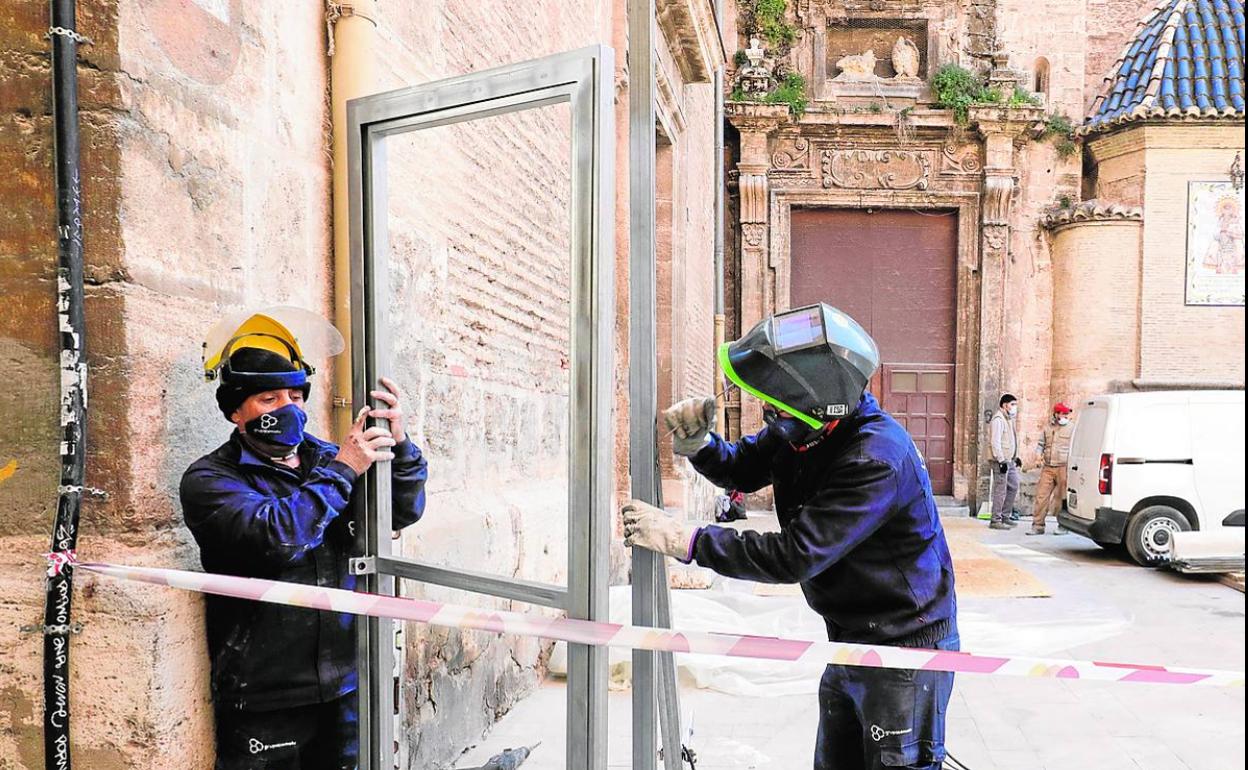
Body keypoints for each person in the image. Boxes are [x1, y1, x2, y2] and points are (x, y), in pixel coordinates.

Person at [622, 303, 958, 770]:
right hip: (850, 634)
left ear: (817, 407)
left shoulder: (874, 460)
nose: (767, 415)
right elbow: (744, 465)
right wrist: (702, 447)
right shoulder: (802, 428)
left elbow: (794, 555)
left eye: (774, 408)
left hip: (906, 648)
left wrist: (689, 541)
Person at [180, 308, 428, 770]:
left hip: (345, 682)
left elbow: (401, 512)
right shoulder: (210, 479)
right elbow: (278, 537)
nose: (287, 409)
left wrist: (402, 448)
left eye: (295, 395)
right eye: (269, 399)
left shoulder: (327, 459)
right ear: (236, 411)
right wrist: (344, 471)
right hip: (264, 695)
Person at [1028, 402, 1074, 536]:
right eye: (1063, 413)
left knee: (1061, 497)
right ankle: (1038, 525)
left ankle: (1063, 525)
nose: (1065, 416)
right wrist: (1038, 456)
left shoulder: (1072, 428)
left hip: (1063, 467)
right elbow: (1041, 444)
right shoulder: (1048, 428)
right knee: (1041, 496)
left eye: (1066, 414)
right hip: (1048, 467)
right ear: (1056, 414)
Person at [988, 394, 1022, 531]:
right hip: (1001, 461)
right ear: (1004, 405)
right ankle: (996, 519)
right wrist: (1001, 460)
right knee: (1000, 490)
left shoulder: (1009, 419)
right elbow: (995, 442)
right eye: (1012, 404)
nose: (1014, 407)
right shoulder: (998, 419)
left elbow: (1010, 440)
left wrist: (1015, 456)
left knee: (1013, 486)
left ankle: (1005, 515)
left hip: (1010, 460)